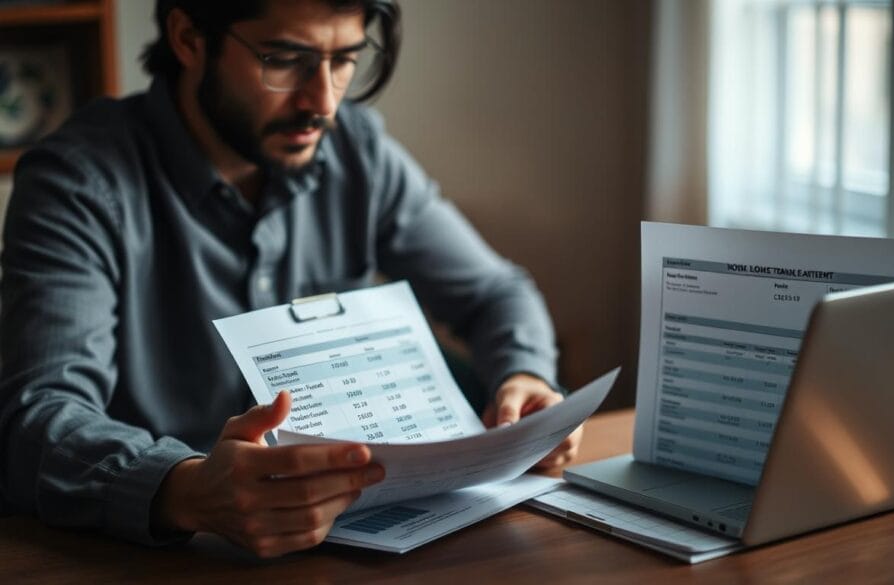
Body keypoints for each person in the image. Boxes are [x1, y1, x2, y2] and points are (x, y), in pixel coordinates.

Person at [0, 0, 581, 558]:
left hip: (359, 542)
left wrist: (524, 376)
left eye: (344, 59)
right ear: (188, 38)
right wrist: (185, 489)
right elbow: (39, 418)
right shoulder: (79, 184)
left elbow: (496, 293)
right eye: (283, 60)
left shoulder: (357, 149)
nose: (323, 102)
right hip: (158, 560)